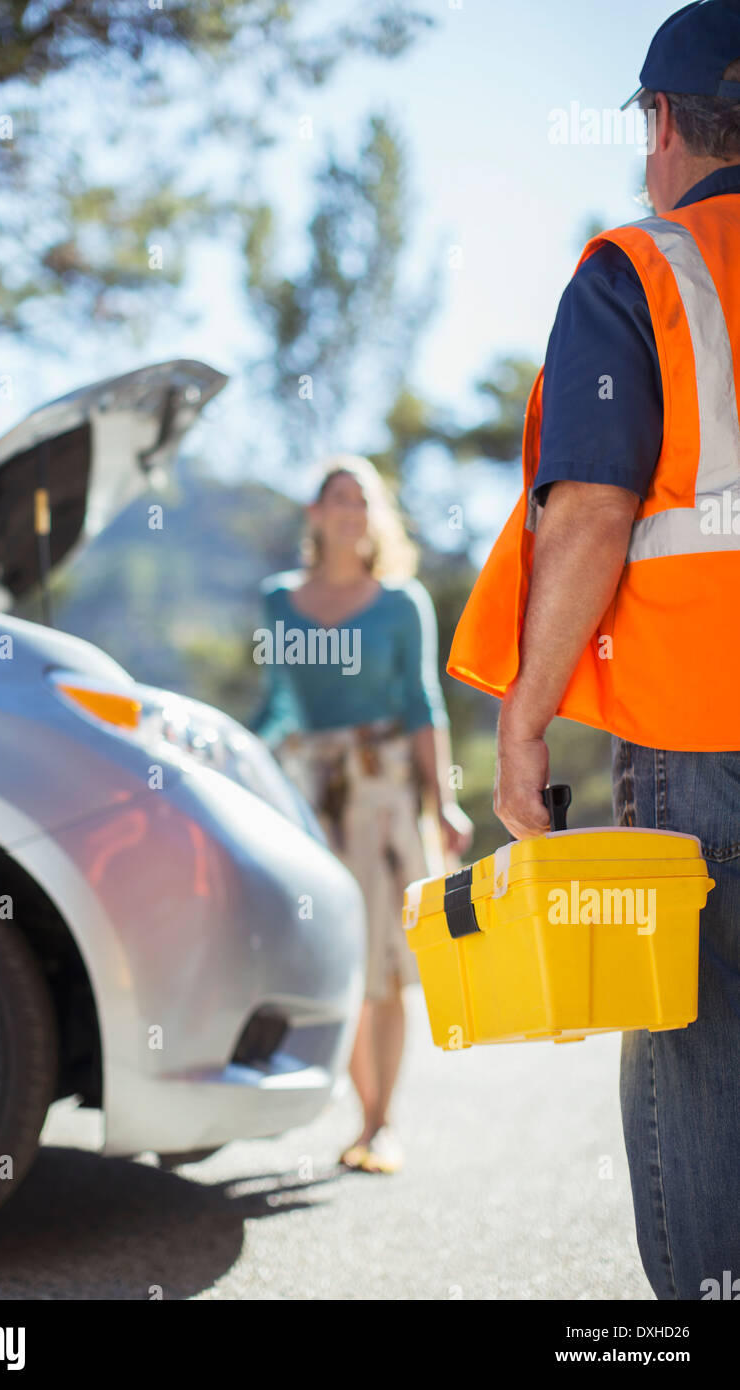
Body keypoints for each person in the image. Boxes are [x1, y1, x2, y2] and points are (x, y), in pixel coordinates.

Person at [447, 0, 740, 1300]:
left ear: (662, 123)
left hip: (701, 740)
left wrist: (524, 720)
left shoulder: (641, 268)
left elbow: (592, 512)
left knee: (702, 1055)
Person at [253, 454, 473, 1174]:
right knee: (338, 961)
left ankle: (382, 1125)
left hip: (383, 793)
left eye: (363, 500)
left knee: (383, 960)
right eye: (337, 498)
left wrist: (444, 802)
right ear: (315, 515)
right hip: (311, 795)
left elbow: (421, 705)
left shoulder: (402, 602)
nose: (351, 510)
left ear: (375, 518)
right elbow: (277, 704)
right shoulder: (279, 601)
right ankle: (360, 1114)